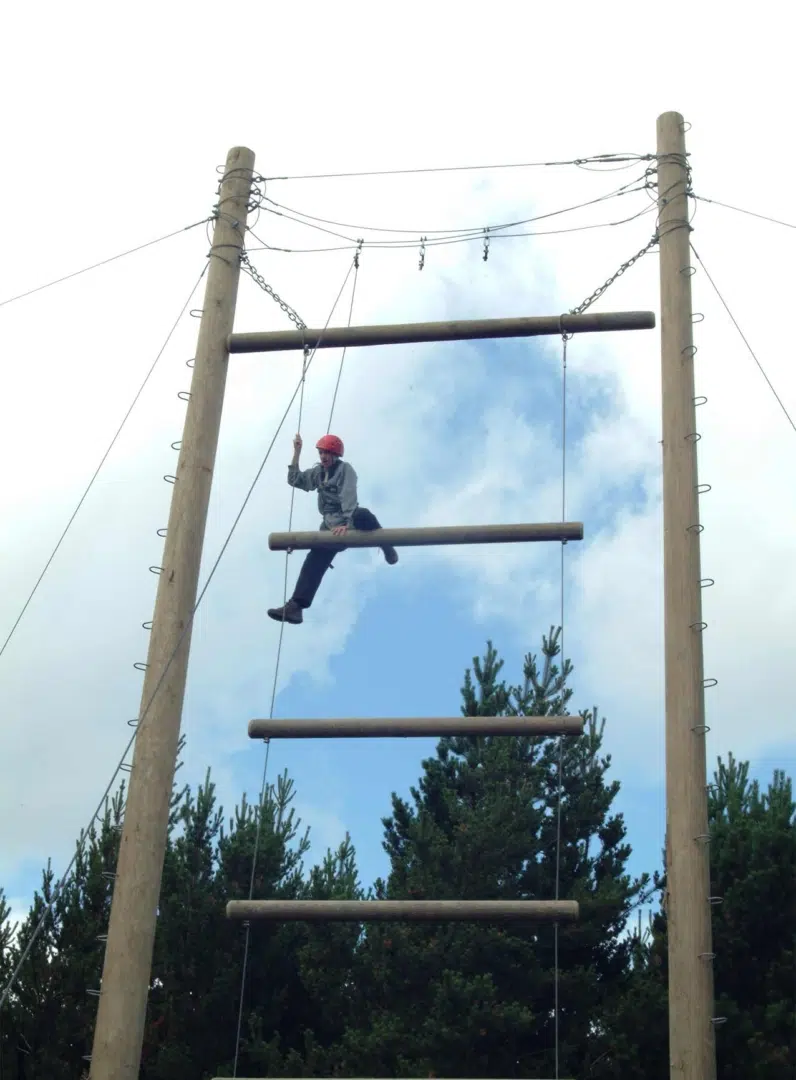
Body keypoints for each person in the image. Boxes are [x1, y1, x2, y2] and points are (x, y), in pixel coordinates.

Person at [267, 433, 398, 625]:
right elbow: (295, 480)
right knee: (315, 560)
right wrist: (297, 452)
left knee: (364, 515)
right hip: (329, 526)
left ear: (335, 455)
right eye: (321, 453)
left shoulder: (345, 470)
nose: (323, 457)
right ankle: (296, 607)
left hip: (349, 517)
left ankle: (387, 547)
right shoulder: (318, 472)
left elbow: (348, 495)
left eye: (327, 453)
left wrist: (346, 523)